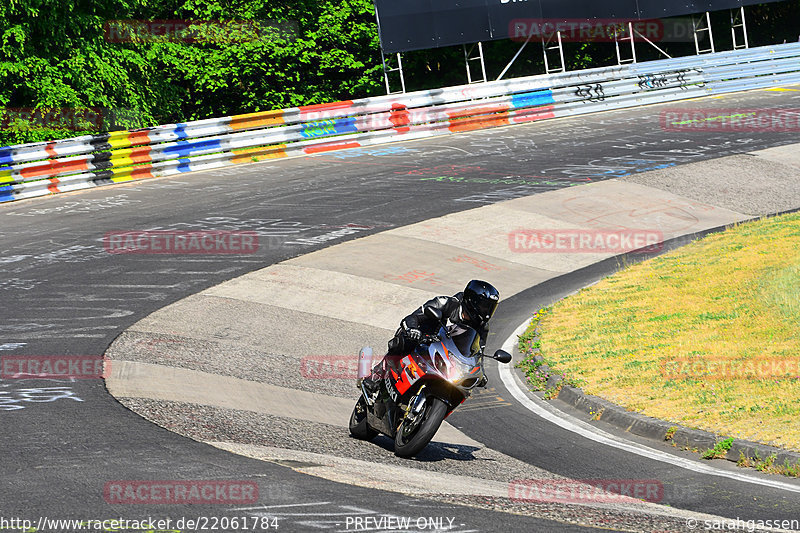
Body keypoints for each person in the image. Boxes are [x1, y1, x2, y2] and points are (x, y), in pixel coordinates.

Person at [361, 280, 500, 394]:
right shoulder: (445, 303)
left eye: (490, 307)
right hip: (423, 338)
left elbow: (477, 352)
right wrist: (412, 329)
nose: (486, 312)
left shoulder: (482, 327)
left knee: (464, 387)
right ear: (472, 300)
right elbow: (412, 317)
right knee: (405, 340)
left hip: (447, 355)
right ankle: (377, 375)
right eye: (483, 306)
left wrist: (481, 373)